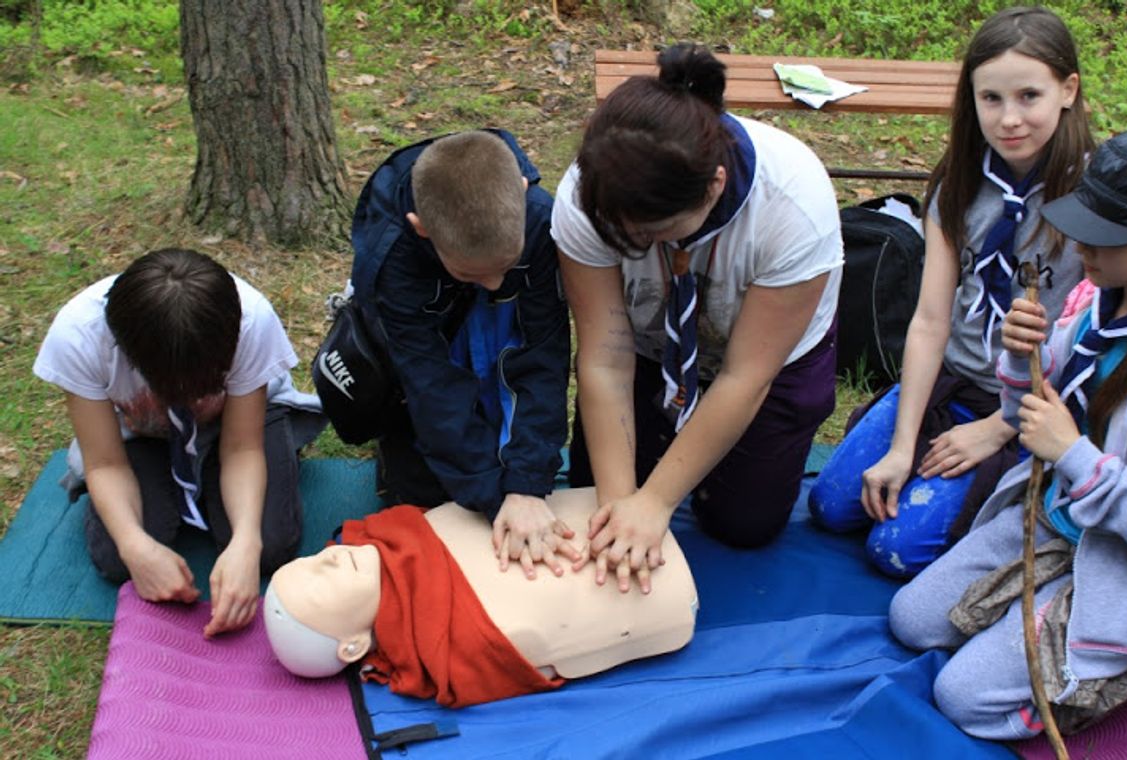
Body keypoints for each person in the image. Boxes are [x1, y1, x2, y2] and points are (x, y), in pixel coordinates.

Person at [809, 6, 1094, 577]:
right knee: (832, 506)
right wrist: (901, 443)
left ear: (1067, 90)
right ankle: (922, 459)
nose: (1009, 119)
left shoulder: (1096, 199)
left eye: (1028, 96)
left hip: (1041, 401)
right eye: (991, 99)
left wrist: (997, 429)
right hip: (952, 378)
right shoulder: (961, 183)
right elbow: (931, 321)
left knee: (894, 551)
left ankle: (1017, 495)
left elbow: (1096, 346)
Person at [551, 43, 844, 594]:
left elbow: (744, 377)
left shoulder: (794, 205)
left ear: (713, 185)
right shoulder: (586, 193)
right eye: (620, 233)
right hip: (645, 348)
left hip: (767, 362)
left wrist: (657, 501)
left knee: (743, 526)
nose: (634, 245)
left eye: (653, 232)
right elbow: (605, 357)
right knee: (595, 498)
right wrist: (621, 507)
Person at [889, 129, 1127, 740]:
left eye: (1106, 236)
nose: (1082, 246)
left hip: (1122, 556)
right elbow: (1027, 411)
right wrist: (1021, 359)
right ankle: (1048, 602)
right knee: (912, 620)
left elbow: (1069, 448)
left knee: (964, 698)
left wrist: (1075, 455)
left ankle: (1107, 663)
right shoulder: (1094, 299)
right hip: (1056, 516)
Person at [33, 248, 325, 636]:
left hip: (234, 426)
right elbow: (104, 462)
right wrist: (134, 544)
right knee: (117, 560)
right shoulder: (79, 335)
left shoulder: (251, 319)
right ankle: (185, 488)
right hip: (142, 432)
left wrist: (246, 542)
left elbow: (242, 447)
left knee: (271, 546)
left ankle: (215, 486)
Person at [347, 130, 573, 579]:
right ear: (421, 227)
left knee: (524, 466)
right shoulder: (390, 255)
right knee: (430, 504)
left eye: (505, 268)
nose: (492, 284)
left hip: (499, 331)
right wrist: (494, 497)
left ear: (523, 196)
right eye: (472, 272)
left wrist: (526, 485)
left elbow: (544, 354)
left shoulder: (540, 219)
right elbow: (430, 385)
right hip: (425, 350)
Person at [263, 487, 698, 707]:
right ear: (353, 645)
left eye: (310, 560)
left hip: (622, 507)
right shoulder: (455, 649)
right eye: (318, 583)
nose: (329, 558)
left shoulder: (398, 531)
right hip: (652, 586)